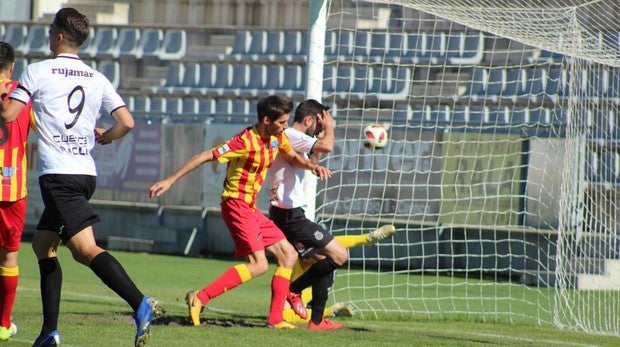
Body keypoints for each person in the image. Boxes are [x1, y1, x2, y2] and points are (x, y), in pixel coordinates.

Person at [0, 8, 160, 347]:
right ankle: (48, 333)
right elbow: (127, 123)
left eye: (49, 32)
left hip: (59, 176)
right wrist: (105, 136)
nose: (47, 36)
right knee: (44, 246)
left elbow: (8, 112)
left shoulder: (38, 71)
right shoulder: (96, 77)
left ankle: (139, 302)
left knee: (85, 249)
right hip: (85, 174)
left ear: (58, 37)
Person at [149, 95, 332, 329]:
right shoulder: (244, 141)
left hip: (251, 208)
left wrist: (312, 167)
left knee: (288, 254)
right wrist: (170, 180)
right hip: (235, 204)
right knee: (259, 265)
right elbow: (205, 156)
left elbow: (293, 156)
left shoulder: (277, 139)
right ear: (267, 120)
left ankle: (275, 319)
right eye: (282, 123)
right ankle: (200, 297)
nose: (286, 127)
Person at [268, 99, 395, 330]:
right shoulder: (291, 134)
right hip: (290, 216)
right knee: (340, 255)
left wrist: (317, 154)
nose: (320, 129)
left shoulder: (296, 141)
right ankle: (293, 290)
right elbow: (325, 146)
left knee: (325, 259)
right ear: (309, 120)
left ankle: (316, 321)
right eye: (318, 123)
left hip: (288, 214)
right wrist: (330, 127)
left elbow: (311, 160)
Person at [282, 229, 397, 324]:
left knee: (284, 312)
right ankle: (331, 311)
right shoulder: (297, 250)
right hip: (306, 280)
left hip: (319, 275)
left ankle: (367, 238)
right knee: (283, 313)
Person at [0, 41, 34, 341]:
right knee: (8, 258)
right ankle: (3, 323)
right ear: (11, 66)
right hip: (12, 188)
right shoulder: (24, 93)